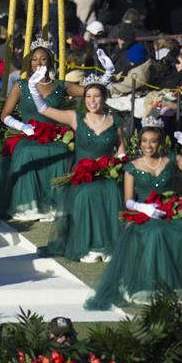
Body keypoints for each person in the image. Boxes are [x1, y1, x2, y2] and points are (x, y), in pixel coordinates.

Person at [85, 119, 182, 310]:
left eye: (153, 141)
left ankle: (177, 287)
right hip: (143, 215)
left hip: (169, 212)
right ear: (140, 142)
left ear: (160, 143)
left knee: (181, 230)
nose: (148, 145)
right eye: (144, 141)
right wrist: (144, 208)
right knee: (155, 234)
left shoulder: (171, 160)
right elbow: (128, 201)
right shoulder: (132, 167)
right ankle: (151, 288)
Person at [27, 64, 125, 262]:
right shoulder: (75, 117)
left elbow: (122, 150)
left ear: (104, 98)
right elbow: (43, 109)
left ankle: (108, 246)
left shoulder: (114, 120)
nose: (92, 101)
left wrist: (118, 165)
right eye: (88, 97)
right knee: (87, 194)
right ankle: (88, 245)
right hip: (81, 176)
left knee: (112, 191)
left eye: (96, 96)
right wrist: (31, 87)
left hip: (108, 173)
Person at [0, 41, 73, 224]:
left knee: (64, 151)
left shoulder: (61, 85)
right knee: (26, 151)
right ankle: (28, 205)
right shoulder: (21, 85)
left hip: (54, 135)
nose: (38, 63)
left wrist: (106, 77)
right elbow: (4, 115)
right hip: (28, 135)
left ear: (50, 61)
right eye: (34, 59)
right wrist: (23, 127)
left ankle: (57, 204)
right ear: (30, 63)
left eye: (43, 59)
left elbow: (91, 92)